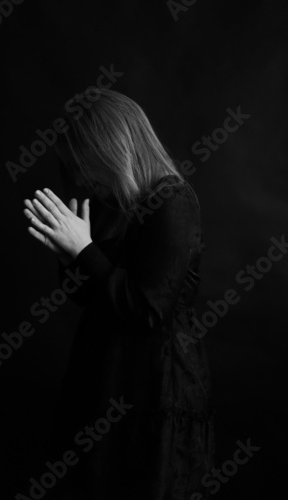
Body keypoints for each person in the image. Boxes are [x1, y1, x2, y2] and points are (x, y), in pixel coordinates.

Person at [23, 89, 215, 500]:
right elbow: (92, 297)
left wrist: (84, 251)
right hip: (102, 381)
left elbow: (147, 310)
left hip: (155, 387)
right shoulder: (112, 203)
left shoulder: (172, 202)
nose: (79, 174)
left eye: (82, 158)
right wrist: (69, 255)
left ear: (111, 147)